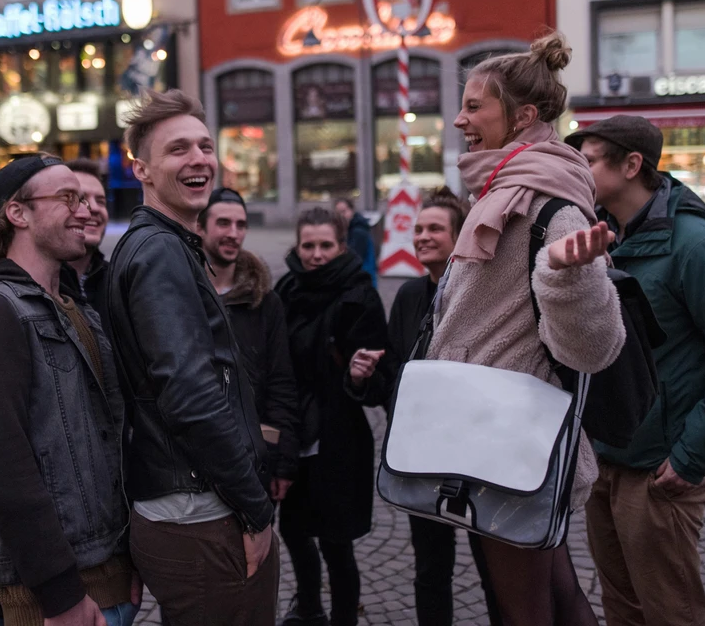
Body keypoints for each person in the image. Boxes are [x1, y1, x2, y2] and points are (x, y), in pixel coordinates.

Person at [424, 33, 625, 626]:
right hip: (488, 432)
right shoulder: (502, 189)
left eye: (474, 107)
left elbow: (595, 347)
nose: (460, 119)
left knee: (526, 609)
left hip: (512, 443)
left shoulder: (553, 203)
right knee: (558, 596)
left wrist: (568, 276)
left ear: (524, 117)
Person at [566, 116, 705, 626]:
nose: (578, 170)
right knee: (622, 610)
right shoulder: (599, 236)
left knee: (670, 614)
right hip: (604, 461)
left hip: (659, 474)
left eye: (588, 160)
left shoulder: (696, 246)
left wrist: (689, 458)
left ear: (632, 165)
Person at [104, 90, 279, 626]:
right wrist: (254, 508)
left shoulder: (168, 244)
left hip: (194, 502)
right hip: (201, 510)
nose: (199, 158)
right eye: (178, 149)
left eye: (205, 146)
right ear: (143, 170)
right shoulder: (158, 252)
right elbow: (190, 396)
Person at [0, 155, 137, 626]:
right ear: (18, 213)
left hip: (109, 574)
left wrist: (128, 559)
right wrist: (61, 597)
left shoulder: (74, 308)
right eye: (68, 198)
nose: (88, 209)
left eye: (92, 199)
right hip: (54, 601)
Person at [361, 189, 501, 626]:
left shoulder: (485, 295)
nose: (422, 237)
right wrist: (364, 376)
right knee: (429, 571)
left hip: (480, 458)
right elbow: (393, 378)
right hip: (424, 455)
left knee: (494, 571)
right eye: (418, 229)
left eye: (434, 229)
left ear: (459, 237)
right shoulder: (407, 296)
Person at [274, 207, 391, 626]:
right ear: (297, 246)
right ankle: (308, 608)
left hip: (338, 441)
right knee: (293, 530)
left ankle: (343, 618)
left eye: (326, 245)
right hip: (294, 434)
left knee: (336, 543)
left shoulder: (359, 295)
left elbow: (381, 386)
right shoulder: (286, 288)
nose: (317, 254)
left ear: (341, 246)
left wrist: (359, 378)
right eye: (309, 245)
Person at [197, 186, 300, 503]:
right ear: (199, 228)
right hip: (198, 457)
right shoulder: (184, 294)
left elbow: (281, 380)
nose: (234, 233)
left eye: (241, 225)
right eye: (223, 224)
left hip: (254, 456)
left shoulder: (264, 301)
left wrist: (281, 457)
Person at [65, 158, 110, 314]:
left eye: (101, 201)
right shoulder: (33, 286)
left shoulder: (121, 282)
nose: (95, 208)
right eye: (81, 199)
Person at [334, 197, 378, 286]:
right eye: (338, 213)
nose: (341, 216)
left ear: (352, 211)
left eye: (344, 211)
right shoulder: (351, 229)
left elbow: (354, 259)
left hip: (362, 282)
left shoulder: (358, 231)